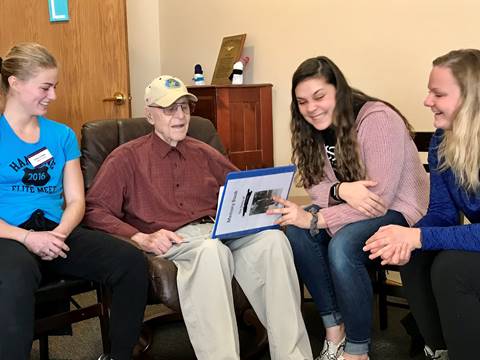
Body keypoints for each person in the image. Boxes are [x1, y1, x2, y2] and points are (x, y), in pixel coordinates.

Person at [83, 75, 313, 360]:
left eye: (185, 108)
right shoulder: (126, 158)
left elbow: (240, 187)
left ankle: (294, 357)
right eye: (170, 109)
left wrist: (267, 202)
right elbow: (94, 209)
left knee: (273, 241)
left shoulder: (204, 152)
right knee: (210, 251)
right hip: (178, 239)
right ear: (150, 115)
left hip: (220, 230)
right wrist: (140, 238)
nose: (180, 116)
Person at [269, 56, 429, 360]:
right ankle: (335, 330)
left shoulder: (376, 119)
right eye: (302, 102)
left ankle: (357, 350)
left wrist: (317, 218)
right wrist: (340, 189)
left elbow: (379, 198)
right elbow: (314, 184)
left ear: (338, 90)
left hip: (400, 208)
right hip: (354, 210)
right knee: (296, 232)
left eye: (319, 96)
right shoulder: (312, 127)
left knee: (342, 246)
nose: (311, 107)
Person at [0, 42, 148, 360]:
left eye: (55, 87)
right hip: (9, 235)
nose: (53, 96)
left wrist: (59, 234)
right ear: (15, 83)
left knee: (130, 262)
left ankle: (119, 355)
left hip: (57, 230)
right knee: (12, 277)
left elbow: (77, 200)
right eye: (45, 87)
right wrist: (28, 238)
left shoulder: (62, 135)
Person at [364, 49, 480, 360]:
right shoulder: (443, 140)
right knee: (416, 256)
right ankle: (441, 350)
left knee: (451, 267)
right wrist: (405, 238)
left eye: (438, 93)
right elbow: (442, 214)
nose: (427, 101)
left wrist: (417, 236)